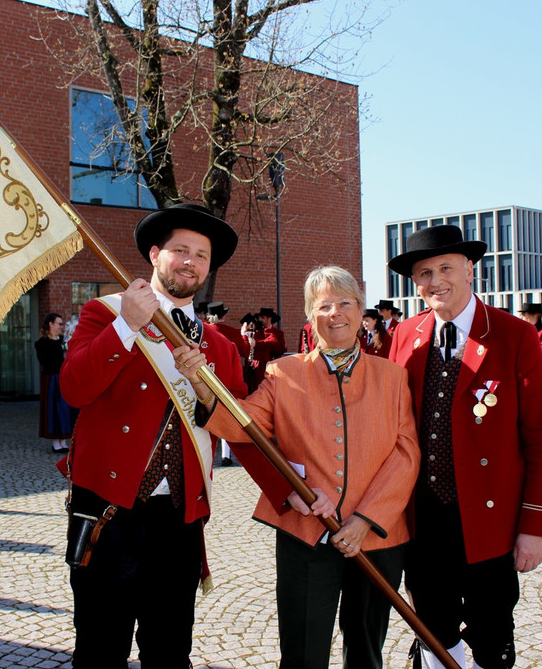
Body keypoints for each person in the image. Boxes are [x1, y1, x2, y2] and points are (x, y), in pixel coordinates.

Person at [174, 265, 420, 669]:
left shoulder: (392, 376)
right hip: (306, 533)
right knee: (303, 653)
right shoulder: (283, 372)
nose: (336, 313)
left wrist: (364, 520)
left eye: (345, 303)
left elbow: (405, 453)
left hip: (378, 537)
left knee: (366, 651)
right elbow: (243, 424)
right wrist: (201, 384)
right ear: (310, 315)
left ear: (361, 311)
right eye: (324, 305)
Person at [57, 202, 247, 668]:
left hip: (179, 519)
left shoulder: (220, 344)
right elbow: (74, 387)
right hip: (108, 508)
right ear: (156, 255)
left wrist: (205, 388)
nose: (190, 262)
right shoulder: (106, 313)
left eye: (201, 255)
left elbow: (239, 425)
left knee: (169, 649)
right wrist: (128, 324)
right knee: (101, 647)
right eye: (180, 250)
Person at [387, 224, 542, 669]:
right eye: (424, 273)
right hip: (424, 515)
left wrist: (534, 526)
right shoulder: (406, 335)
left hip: (490, 517)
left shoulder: (513, 334)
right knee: (432, 627)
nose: (435, 281)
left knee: (492, 628)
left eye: (445, 268)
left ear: (470, 270)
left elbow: (540, 437)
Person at [204, 301, 250, 467]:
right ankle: (225, 454)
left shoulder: (201, 330)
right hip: (228, 380)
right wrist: (244, 335)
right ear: (223, 315)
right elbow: (245, 352)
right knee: (226, 414)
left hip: (202, 380)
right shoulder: (232, 332)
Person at [34, 312, 73, 452]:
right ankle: (55, 442)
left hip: (64, 378)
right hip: (51, 379)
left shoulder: (64, 340)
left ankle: (63, 441)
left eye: (62, 324)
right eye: (59, 324)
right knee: (54, 409)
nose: (61, 327)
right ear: (51, 324)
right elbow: (45, 362)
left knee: (65, 409)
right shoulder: (41, 343)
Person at [519, 302, 542, 386]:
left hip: (540, 372)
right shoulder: (522, 332)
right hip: (524, 373)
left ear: (535, 316)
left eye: (524, 314)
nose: (522, 317)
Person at [251, 307, 286, 385]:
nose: (261, 320)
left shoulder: (278, 333)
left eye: (263, 318)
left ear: (269, 318)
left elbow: (281, 348)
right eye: (260, 318)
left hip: (273, 364)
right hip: (259, 368)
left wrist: (259, 344)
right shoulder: (257, 332)